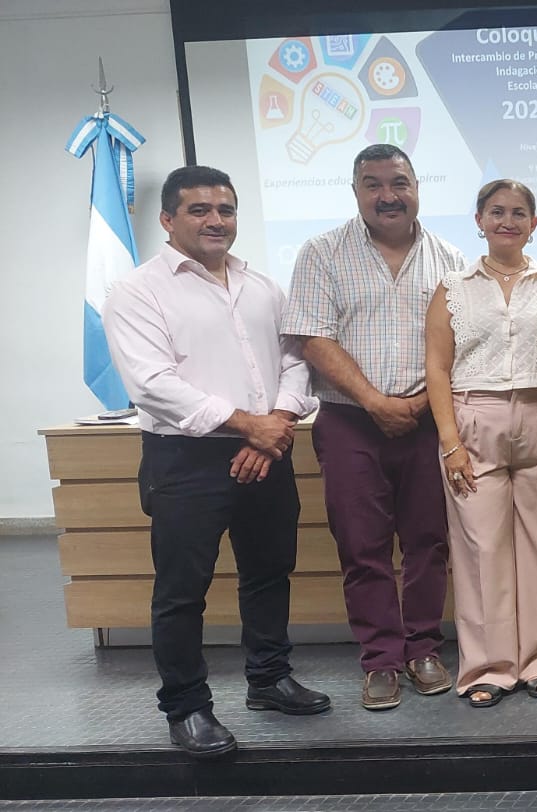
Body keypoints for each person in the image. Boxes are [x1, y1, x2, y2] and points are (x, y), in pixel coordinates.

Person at [104, 166, 329, 758]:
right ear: (167, 220)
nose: (215, 220)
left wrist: (272, 423)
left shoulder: (263, 287)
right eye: (199, 210)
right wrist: (249, 425)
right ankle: (187, 708)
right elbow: (152, 384)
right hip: (187, 458)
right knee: (183, 590)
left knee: (269, 571)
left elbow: (296, 361)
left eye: (225, 210)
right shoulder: (137, 291)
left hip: (269, 447)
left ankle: (269, 679)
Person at [285, 144, 465, 711]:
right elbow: (312, 337)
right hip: (349, 422)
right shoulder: (322, 253)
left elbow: (461, 344)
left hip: (428, 420)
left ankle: (423, 649)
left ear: (417, 187)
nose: (388, 195)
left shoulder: (451, 259)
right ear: (356, 191)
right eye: (373, 184)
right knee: (362, 546)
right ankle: (381, 659)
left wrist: (419, 403)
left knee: (428, 542)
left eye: (399, 182)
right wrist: (375, 401)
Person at [421, 179, 537, 708]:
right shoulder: (452, 287)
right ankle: (489, 666)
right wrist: (450, 442)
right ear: (479, 221)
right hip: (473, 421)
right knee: (481, 548)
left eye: (518, 213)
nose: (507, 221)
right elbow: (437, 369)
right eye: (496, 212)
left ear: (534, 223)